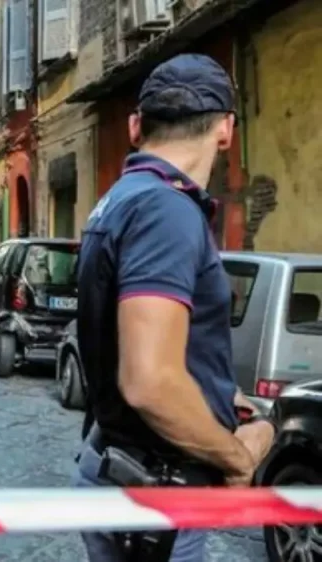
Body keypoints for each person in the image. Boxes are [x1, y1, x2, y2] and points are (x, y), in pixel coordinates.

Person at [73, 54, 275, 562]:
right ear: (226, 130)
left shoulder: (121, 198)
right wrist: (236, 456)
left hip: (119, 466)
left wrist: (215, 397)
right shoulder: (166, 209)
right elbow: (150, 382)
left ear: (136, 126)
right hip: (156, 493)